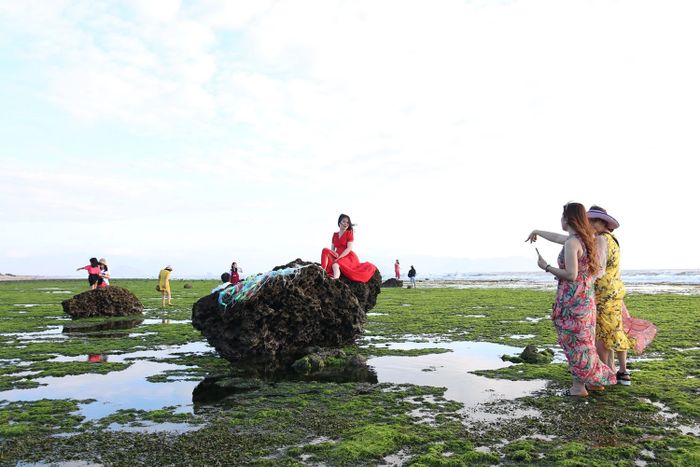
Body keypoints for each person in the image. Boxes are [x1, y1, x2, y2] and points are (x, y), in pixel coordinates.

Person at [526, 202, 616, 396]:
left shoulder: (573, 242)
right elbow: (559, 237)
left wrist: (546, 266)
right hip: (585, 300)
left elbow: (571, 274)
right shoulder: (587, 240)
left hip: (572, 300)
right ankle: (591, 382)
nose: (560, 220)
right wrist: (537, 231)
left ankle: (579, 387)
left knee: (574, 343)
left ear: (568, 219)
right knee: (583, 342)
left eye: (562, 216)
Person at [587, 206, 636, 386]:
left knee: (602, 333)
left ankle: (606, 374)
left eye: (592, 221)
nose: (589, 225)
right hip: (616, 289)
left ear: (601, 223)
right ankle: (622, 372)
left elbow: (598, 270)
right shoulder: (614, 240)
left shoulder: (600, 239)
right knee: (616, 329)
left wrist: (582, 280)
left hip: (602, 291)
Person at [321, 214, 378, 282]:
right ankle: (323, 270)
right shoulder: (335, 235)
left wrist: (339, 257)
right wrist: (333, 257)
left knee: (335, 265)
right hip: (337, 254)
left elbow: (349, 248)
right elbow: (332, 249)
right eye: (344, 221)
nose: (346, 224)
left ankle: (335, 279)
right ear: (339, 223)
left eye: (348, 222)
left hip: (347, 256)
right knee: (325, 250)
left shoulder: (349, 233)